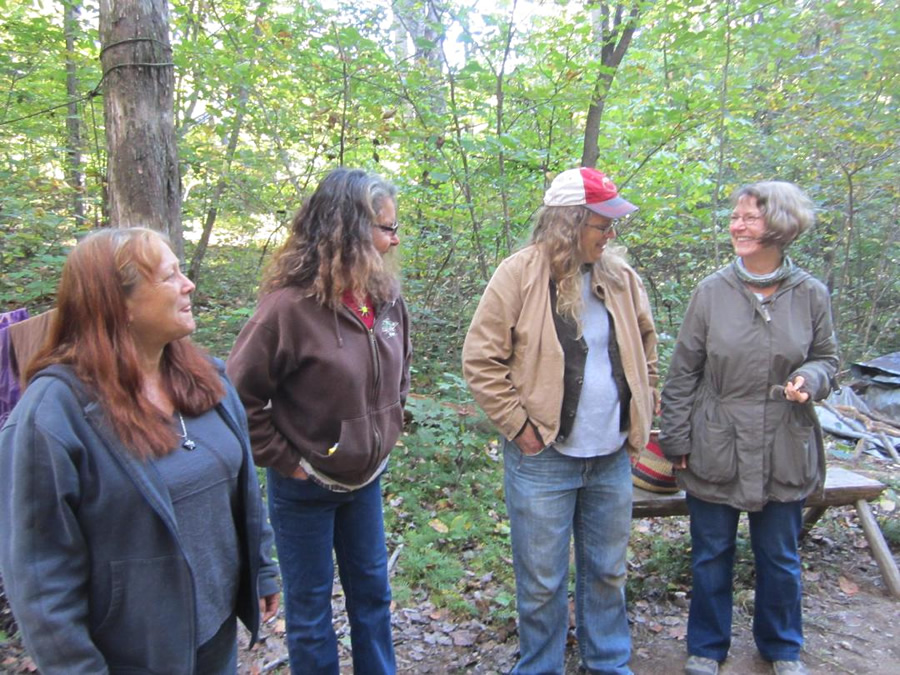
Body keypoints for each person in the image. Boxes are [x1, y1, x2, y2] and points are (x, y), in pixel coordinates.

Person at [0, 227, 280, 675]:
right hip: (132, 655)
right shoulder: (52, 417)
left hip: (216, 636)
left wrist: (261, 568)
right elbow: (38, 577)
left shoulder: (208, 379)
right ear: (119, 304)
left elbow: (243, 490)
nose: (189, 285)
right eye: (170, 276)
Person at [462, 167, 659, 674]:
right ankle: (540, 666)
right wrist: (521, 430)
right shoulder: (519, 275)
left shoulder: (621, 278)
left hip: (612, 456)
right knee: (542, 579)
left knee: (608, 571)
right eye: (601, 224)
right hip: (544, 458)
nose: (610, 234)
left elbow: (647, 350)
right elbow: (481, 360)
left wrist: (643, 410)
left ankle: (608, 664)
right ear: (569, 223)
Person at [226, 168, 411, 674]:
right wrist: (289, 462)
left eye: (395, 228)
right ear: (347, 230)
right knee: (309, 611)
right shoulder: (287, 310)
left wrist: (390, 425)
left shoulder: (387, 299)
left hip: (366, 480)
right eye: (386, 228)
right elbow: (237, 397)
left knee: (373, 595)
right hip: (304, 488)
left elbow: (400, 372)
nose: (394, 239)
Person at [659, 181, 838, 675]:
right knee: (711, 553)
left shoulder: (811, 294)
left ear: (779, 226)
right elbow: (682, 374)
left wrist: (812, 378)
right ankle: (706, 649)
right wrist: (675, 439)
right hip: (716, 440)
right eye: (735, 217)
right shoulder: (711, 291)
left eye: (749, 218)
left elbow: (828, 359)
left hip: (785, 441)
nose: (736, 225)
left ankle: (782, 648)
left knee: (779, 557)